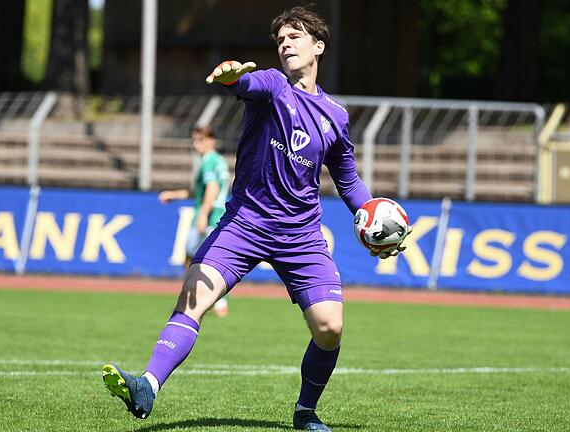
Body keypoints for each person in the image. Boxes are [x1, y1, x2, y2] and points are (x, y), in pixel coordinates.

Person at [102, 6, 409, 431]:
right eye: (281, 39)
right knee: (192, 297)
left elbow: (347, 180)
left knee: (330, 327)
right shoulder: (270, 84)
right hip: (243, 223)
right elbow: (242, 82)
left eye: (295, 36)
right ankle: (148, 385)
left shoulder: (336, 117)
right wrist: (231, 76)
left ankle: (305, 412)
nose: (285, 44)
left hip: (300, 234)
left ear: (318, 46)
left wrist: (375, 217)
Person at [158, 126, 231, 317]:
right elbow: (199, 191)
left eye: (200, 140)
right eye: (195, 140)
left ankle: (196, 299)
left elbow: (212, 188)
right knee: (208, 260)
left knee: (191, 258)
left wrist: (202, 214)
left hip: (209, 215)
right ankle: (215, 301)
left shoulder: (208, 162)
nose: (196, 144)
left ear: (211, 141)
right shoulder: (220, 161)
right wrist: (173, 194)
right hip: (219, 213)